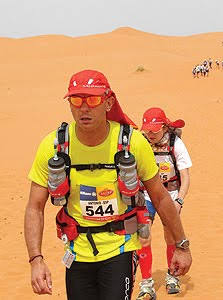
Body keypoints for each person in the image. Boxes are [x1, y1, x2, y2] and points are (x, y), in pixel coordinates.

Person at [24, 70, 192, 299]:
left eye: (92, 100)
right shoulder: (53, 147)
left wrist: (182, 245)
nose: (84, 108)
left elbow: (161, 197)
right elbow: (34, 206)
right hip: (77, 252)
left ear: (108, 102)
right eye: (76, 99)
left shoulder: (133, 143)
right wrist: (36, 260)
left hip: (121, 248)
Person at [137, 108, 192, 298]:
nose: (150, 134)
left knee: (170, 238)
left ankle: (172, 276)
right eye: (147, 130)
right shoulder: (141, 143)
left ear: (164, 127)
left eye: (154, 129)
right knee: (143, 238)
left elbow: (185, 177)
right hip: (145, 197)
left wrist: (179, 200)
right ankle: (146, 282)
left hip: (170, 197)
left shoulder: (175, 143)